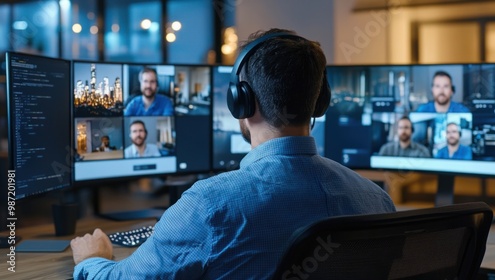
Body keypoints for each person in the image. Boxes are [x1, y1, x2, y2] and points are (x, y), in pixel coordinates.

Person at [71, 28, 396, 279]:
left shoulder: (208, 206)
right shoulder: (378, 202)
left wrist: (93, 259)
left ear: (241, 101)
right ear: (320, 102)